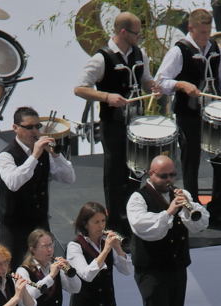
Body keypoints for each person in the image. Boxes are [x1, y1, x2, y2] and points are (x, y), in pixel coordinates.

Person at [126, 154, 208, 306]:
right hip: (151, 269)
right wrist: (170, 212)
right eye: (164, 176)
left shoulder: (181, 194)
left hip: (176, 266)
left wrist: (187, 209)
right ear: (151, 174)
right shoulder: (137, 198)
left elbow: (198, 223)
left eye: (172, 175)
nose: (169, 180)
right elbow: (145, 229)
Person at [155, 8, 221, 229]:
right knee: (190, 162)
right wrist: (181, 84)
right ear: (191, 29)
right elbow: (161, 81)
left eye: (208, 32)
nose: (205, 37)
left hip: (214, 114)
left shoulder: (214, 48)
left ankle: (217, 211)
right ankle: (193, 211)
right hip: (189, 114)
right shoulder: (179, 51)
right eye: (202, 32)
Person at [73, 11, 156, 238]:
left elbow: (145, 79)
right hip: (114, 124)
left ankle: (132, 219)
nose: (139, 37)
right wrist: (107, 97)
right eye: (136, 33)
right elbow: (80, 88)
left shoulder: (140, 53)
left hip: (137, 123)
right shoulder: (102, 58)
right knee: (115, 173)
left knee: (136, 170)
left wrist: (152, 86)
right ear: (123, 32)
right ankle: (115, 225)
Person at [0, 106, 76, 256]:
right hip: (14, 226)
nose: (34, 131)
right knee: (13, 269)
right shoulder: (6, 155)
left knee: (44, 265)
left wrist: (56, 155)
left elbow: (69, 178)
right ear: (15, 128)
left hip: (39, 221)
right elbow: (14, 183)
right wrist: (34, 156)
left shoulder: (44, 152)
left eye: (37, 126)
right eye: (29, 127)